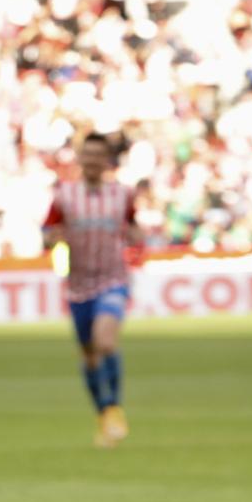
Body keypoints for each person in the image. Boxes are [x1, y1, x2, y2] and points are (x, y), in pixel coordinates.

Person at [43, 134, 143, 448]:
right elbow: (48, 230)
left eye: (98, 155)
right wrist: (51, 239)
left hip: (113, 279)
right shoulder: (65, 195)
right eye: (87, 155)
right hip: (78, 284)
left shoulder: (121, 194)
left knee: (106, 341)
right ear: (80, 158)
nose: (92, 161)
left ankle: (113, 406)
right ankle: (103, 413)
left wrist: (138, 239)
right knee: (88, 355)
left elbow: (133, 226)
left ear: (107, 160)